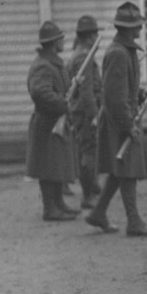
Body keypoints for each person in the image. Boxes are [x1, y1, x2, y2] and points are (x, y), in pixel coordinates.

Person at [85, 2, 147, 236]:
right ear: (130, 28)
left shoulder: (123, 50)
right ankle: (134, 221)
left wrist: (140, 93)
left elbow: (124, 89)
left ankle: (98, 213)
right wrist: (128, 125)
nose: (141, 28)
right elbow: (115, 97)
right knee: (127, 170)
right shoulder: (118, 53)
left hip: (122, 117)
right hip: (120, 121)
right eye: (138, 24)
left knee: (120, 169)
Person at [26, 21, 79, 222]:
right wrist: (62, 104)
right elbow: (40, 92)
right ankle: (50, 209)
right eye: (60, 39)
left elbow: (59, 89)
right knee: (47, 167)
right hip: (47, 123)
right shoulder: (43, 65)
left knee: (57, 164)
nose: (63, 41)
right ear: (53, 43)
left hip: (57, 121)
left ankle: (59, 204)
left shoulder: (53, 63)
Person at [66, 15, 103, 210]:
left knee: (86, 151)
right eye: (95, 34)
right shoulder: (83, 57)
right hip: (85, 112)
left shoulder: (78, 54)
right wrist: (95, 115)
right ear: (89, 37)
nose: (97, 38)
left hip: (79, 111)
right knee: (89, 152)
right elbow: (87, 92)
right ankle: (88, 196)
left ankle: (91, 189)